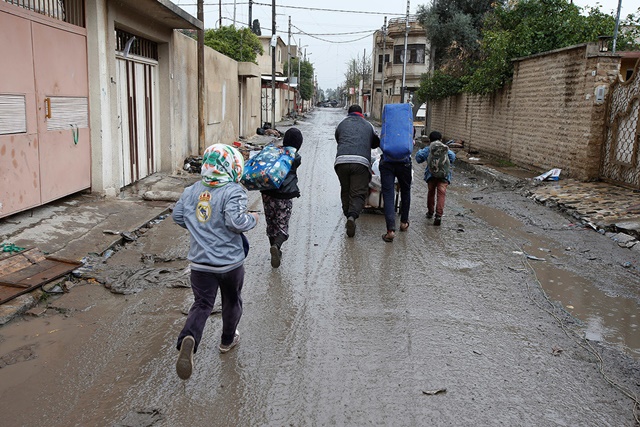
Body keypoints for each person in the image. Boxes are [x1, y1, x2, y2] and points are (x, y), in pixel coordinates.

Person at [172, 143, 259, 380]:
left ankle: (189, 337)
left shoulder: (191, 191)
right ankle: (227, 341)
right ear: (232, 165)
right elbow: (235, 223)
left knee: (202, 304)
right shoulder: (233, 190)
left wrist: (198, 228)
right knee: (232, 301)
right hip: (230, 264)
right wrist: (253, 218)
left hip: (200, 265)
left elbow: (178, 216)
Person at [334, 104, 380, 237]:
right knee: (358, 192)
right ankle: (352, 217)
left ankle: (347, 214)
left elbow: (339, 139)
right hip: (360, 163)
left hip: (341, 162)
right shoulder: (368, 125)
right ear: (361, 114)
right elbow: (376, 143)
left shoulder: (341, 124)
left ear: (349, 113)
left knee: (346, 189)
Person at [260, 127, 303, 268]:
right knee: (282, 222)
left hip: (267, 193)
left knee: (271, 221)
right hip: (284, 195)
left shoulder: (274, 151)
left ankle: (273, 246)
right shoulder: (295, 157)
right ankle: (277, 246)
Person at [379, 130, 414, 243]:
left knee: (388, 194)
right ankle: (404, 223)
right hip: (404, 162)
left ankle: (390, 231)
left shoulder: (389, 119)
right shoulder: (407, 122)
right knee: (405, 190)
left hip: (387, 162)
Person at [415, 131, 456, 226]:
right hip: (444, 175)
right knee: (441, 194)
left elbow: (418, 158)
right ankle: (438, 215)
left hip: (431, 175)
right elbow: (452, 157)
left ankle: (430, 212)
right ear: (441, 139)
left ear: (430, 139)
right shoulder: (445, 148)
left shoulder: (429, 148)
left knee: (431, 193)